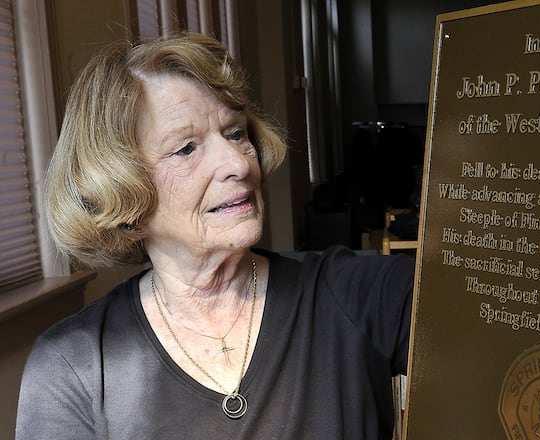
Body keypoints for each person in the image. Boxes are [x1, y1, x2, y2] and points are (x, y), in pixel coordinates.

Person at [16, 32, 414, 439]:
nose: (237, 165)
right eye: (186, 148)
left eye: (236, 133)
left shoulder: (357, 294)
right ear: (119, 188)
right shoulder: (73, 368)